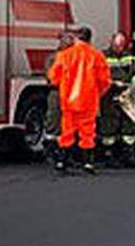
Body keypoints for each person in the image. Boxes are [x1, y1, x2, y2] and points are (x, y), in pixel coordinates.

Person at [47, 26, 111, 174]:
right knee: (88, 133)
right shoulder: (97, 55)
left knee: (67, 132)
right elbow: (105, 81)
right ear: (90, 38)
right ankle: (88, 163)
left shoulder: (64, 55)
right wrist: (97, 93)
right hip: (88, 101)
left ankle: (62, 162)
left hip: (68, 100)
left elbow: (53, 78)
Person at [99, 32, 135, 168]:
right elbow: (99, 75)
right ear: (111, 43)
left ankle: (128, 155)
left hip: (127, 93)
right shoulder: (102, 56)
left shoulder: (130, 57)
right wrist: (111, 83)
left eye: (121, 45)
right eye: (116, 45)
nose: (118, 48)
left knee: (128, 123)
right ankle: (109, 155)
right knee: (109, 124)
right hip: (109, 94)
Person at [42, 32, 75, 157]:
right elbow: (50, 76)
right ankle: (51, 149)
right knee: (54, 120)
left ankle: (66, 151)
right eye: (65, 42)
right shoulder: (53, 58)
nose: (67, 44)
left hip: (72, 94)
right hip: (57, 92)